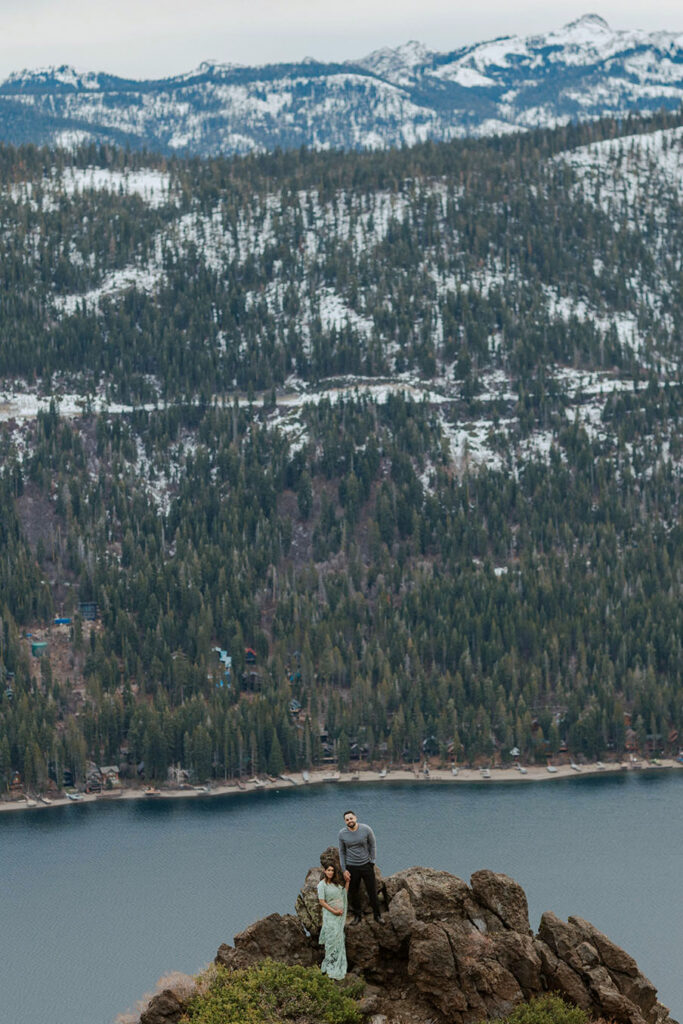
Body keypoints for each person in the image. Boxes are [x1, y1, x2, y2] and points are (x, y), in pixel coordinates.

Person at [338, 809, 383, 925]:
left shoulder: (366, 829)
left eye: (351, 818)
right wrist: (344, 869)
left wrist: (372, 861)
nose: (349, 821)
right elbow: (342, 852)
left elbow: (373, 845)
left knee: (372, 891)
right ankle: (357, 916)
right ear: (345, 821)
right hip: (352, 867)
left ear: (355, 818)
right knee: (354, 892)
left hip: (366, 866)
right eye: (347, 819)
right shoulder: (342, 834)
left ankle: (377, 915)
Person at [317, 862, 349, 979]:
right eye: (328, 870)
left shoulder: (336, 885)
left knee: (339, 940)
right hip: (330, 916)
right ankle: (330, 967)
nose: (330, 872)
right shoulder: (321, 885)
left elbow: (344, 894)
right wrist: (334, 911)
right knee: (331, 939)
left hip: (339, 916)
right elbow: (322, 902)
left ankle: (338, 965)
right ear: (325, 871)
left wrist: (347, 882)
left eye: (332, 870)